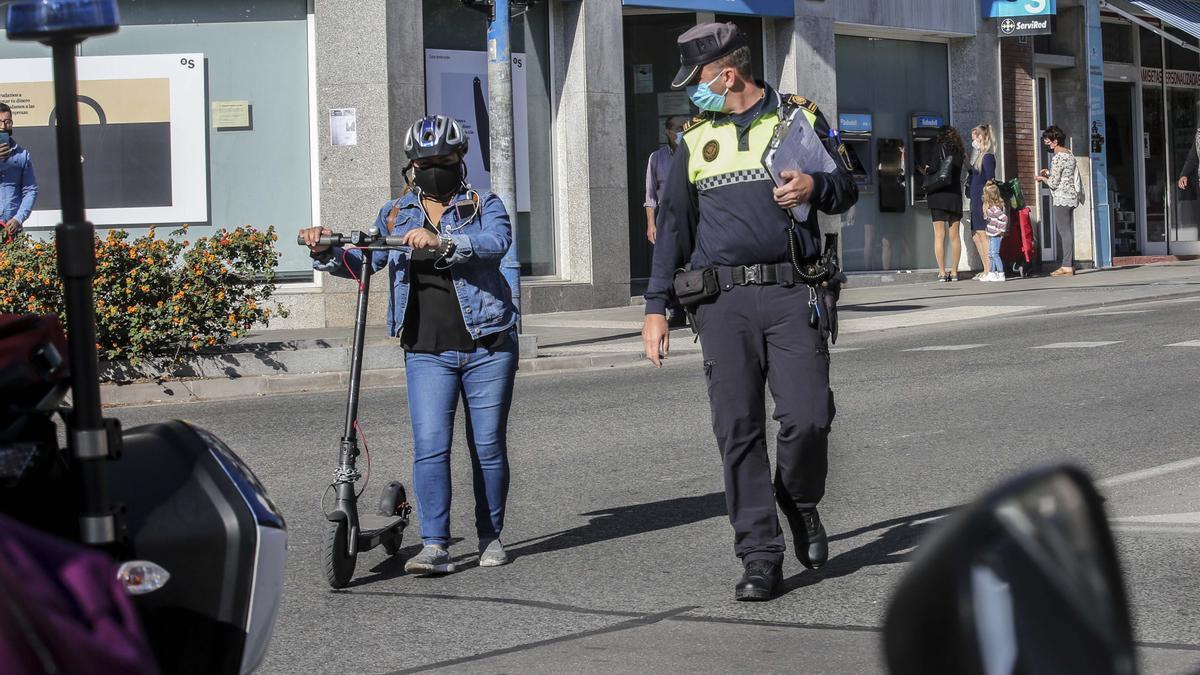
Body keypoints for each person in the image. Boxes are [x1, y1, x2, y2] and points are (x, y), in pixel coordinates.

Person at [640, 22, 858, 601]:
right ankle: (760, 555)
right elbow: (673, 231)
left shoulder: (797, 119)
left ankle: (799, 498)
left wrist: (813, 183)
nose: (694, 92)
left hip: (793, 293)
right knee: (738, 428)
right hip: (722, 303)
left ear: (727, 74)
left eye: (699, 80)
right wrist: (656, 307)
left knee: (809, 418)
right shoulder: (692, 140)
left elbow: (847, 187)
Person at [301, 114, 519, 575]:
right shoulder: (396, 213)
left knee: (487, 447)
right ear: (411, 167)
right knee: (431, 447)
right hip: (426, 347)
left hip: (488, 344)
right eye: (424, 161)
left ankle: (490, 536)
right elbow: (364, 261)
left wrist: (443, 242)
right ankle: (436, 545)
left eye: (443, 159)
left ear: (460, 159)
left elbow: (496, 243)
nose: (433, 168)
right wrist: (324, 251)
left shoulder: (485, 204)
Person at [645, 115, 691, 328]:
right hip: (666, 214)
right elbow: (650, 196)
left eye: (685, 126)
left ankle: (693, 306)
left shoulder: (694, 151)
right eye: (678, 128)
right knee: (669, 263)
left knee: (691, 260)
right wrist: (651, 224)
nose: (682, 131)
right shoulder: (657, 158)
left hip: (690, 211)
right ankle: (675, 309)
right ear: (668, 131)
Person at [921, 125, 965, 282]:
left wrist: (926, 169)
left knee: (939, 236)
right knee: (955, 237)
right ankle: (954, 272)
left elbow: (933, 168)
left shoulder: (938, 147)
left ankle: (941, 272)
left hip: (938, 195)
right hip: (954, 196)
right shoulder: (960, 151)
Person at [1035, 125, 1079, 277]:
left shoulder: (1057, 157)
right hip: (1072, 196)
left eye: (1048, 140)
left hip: (1062, 197)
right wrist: (1048, 173)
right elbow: (1064, 175)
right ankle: (1069, 264)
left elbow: (1053, 183)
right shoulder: (1069, 154)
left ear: (1055, 141)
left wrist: (1042, 178)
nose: (1046, 142)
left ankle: (1066, 265)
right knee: (1068, 230)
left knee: (1064, 231)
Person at [0, 103, 38, 240]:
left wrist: (18, 218)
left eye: (7, 122)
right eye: (0, 122)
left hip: (11, 230)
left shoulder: (22, 155)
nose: (3, 126)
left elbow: (30, 190)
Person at [966, 124, 997, 281]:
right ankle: (986, 268)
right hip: (975, 197)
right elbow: (974, 173)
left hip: (981, 199)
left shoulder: (988, 156)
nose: (974, 142)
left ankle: (990, 269)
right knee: (976, 235)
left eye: (975, 138)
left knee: (982, 234)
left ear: (981, 137)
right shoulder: (979, 156)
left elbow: (990, 180)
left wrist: (987, 202)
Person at [980, 180, 1008, 283]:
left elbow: (1004, 218)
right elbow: (988, 219)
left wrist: (1000, 229)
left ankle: (1000, 273)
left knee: (995, 253)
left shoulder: (995, 208)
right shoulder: (990, 207)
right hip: (991, 233)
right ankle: (992, 272)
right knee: (990, 254)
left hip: (996, 234)